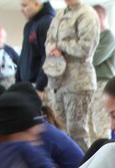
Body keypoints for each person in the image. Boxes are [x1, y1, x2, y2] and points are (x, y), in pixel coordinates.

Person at [44, 0, 100, 151]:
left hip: (78, 82)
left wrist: (60, 46)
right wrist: (51, 48)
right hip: (58, 81)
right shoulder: (59, 15)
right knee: (60, 131)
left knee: (77, 132)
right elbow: (49, 41)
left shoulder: (87, 14)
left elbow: (85, 48)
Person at [89, 5, 115, 141]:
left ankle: (105, 157)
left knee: (101, 126)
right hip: (92, 85)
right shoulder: (95, 38)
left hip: (103, 84)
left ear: (100, 17)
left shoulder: (108, 36)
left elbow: (93, 59)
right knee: (89, 126)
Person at [18, 0, 57, 92]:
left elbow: (48, 57)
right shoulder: (29, 25)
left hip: (39, 86)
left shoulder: (47, 22)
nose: (22, 10)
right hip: (27, 84)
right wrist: (18, 82)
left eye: (25, 6)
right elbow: (23, 55)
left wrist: (40, 86)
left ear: (36, 4)